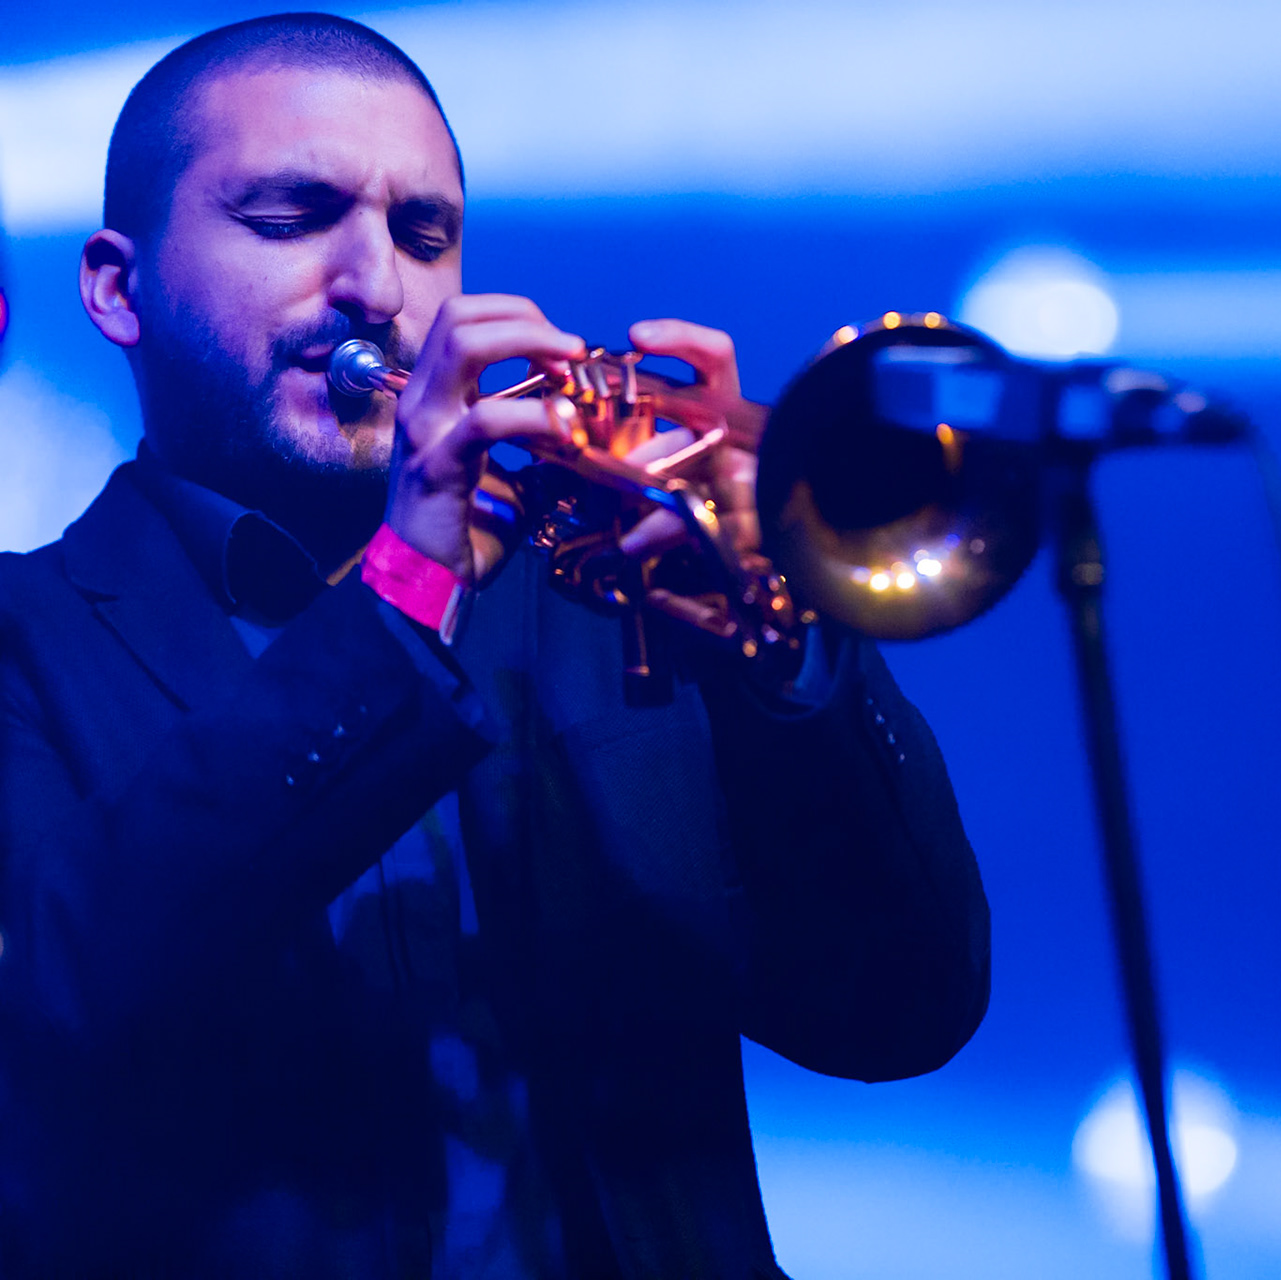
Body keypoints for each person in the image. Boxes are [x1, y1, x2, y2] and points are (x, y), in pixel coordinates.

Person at [0, 13, 989, 1277]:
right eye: (294, 217)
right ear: (117, 288)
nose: (379, 285)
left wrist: (780, 660)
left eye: (425, 236)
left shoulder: (605, 600)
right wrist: (400, 600)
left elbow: (904, 1007)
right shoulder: (25, 641)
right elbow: (50, 1011)